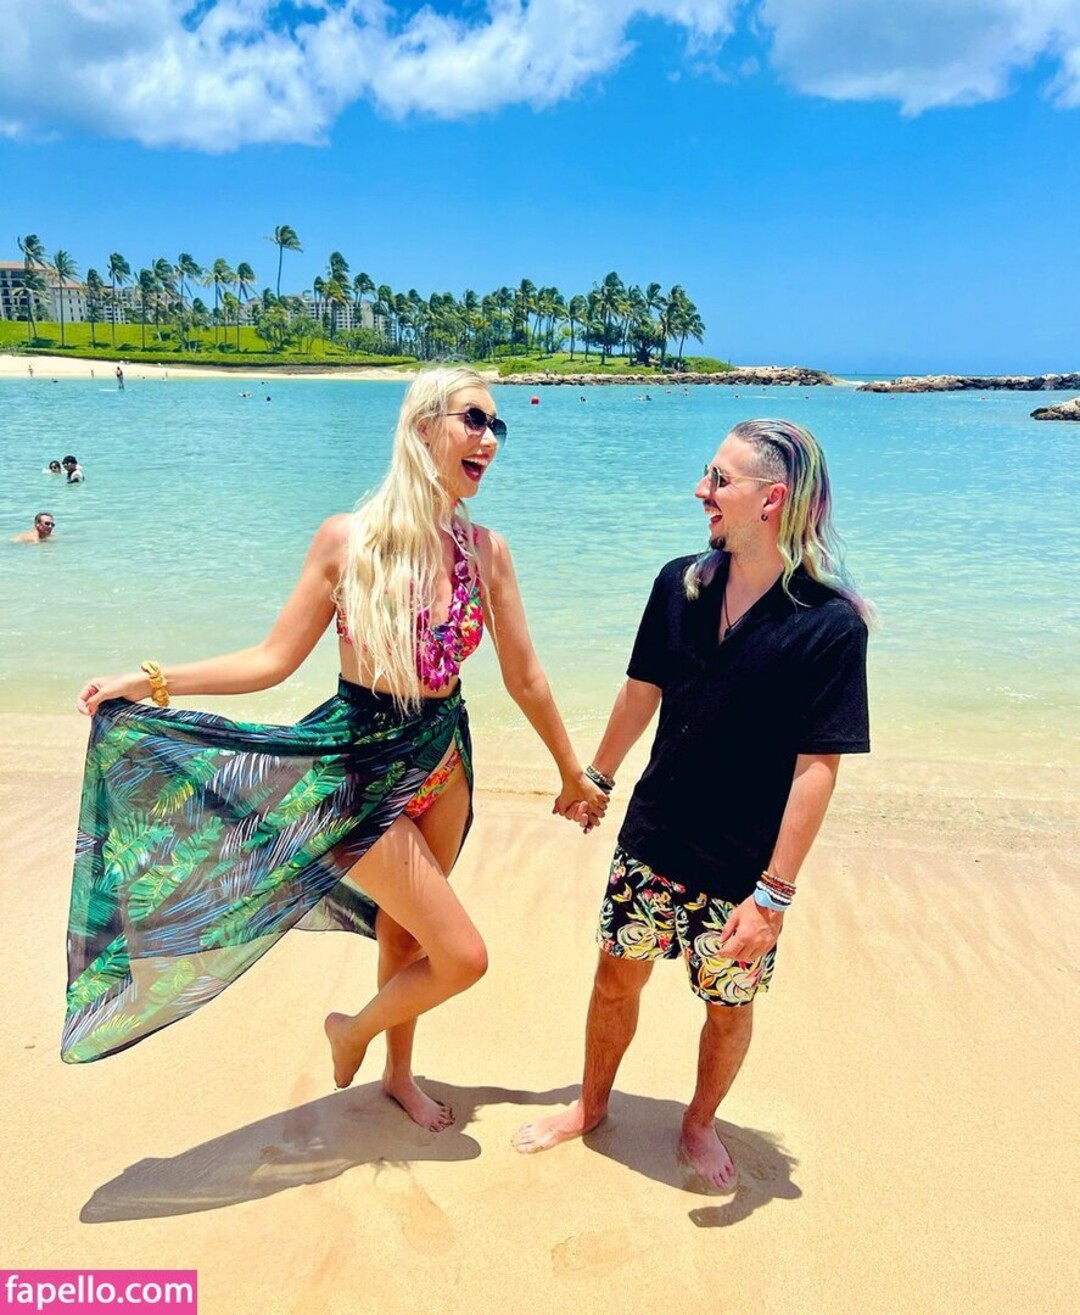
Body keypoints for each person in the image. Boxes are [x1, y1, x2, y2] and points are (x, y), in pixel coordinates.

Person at [65, 367, 608, 1132]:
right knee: (462, 954)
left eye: (498, 426)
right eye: (474, 419)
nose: (489, 438)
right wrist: (152, 680)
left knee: (406, 932)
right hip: (357, 765)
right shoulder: (347, 541)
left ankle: (397, 1074)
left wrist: (571, 772)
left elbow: (526, 678)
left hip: (443, 758)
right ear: (424, 428)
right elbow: (272, 659)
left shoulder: (488, 552)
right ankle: (352, 1029)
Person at [514, 418, 871, 1189]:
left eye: (719, 479)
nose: (700, 490)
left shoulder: (830, 626)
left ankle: (700, 1122)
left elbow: (818, 767)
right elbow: (641, 689)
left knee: (726, 1007)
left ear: (772, 499)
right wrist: (596, 777)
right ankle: (592, 1104)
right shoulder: (680, 584)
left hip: (743, 872)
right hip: (652, 838)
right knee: (615, 979)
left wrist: (773, 894)